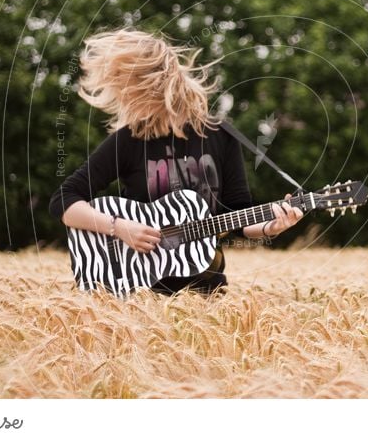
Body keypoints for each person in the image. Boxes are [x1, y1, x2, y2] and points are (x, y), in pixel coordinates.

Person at [48, 28, 303, 296]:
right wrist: (119, 227)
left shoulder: (220, 136)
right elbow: (63, 201)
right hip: (141, 294)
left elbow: (238, 215)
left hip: (207, 290)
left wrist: (270, 226)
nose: (123, 99)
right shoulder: (130, 140)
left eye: (128, 88)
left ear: (153, 86)